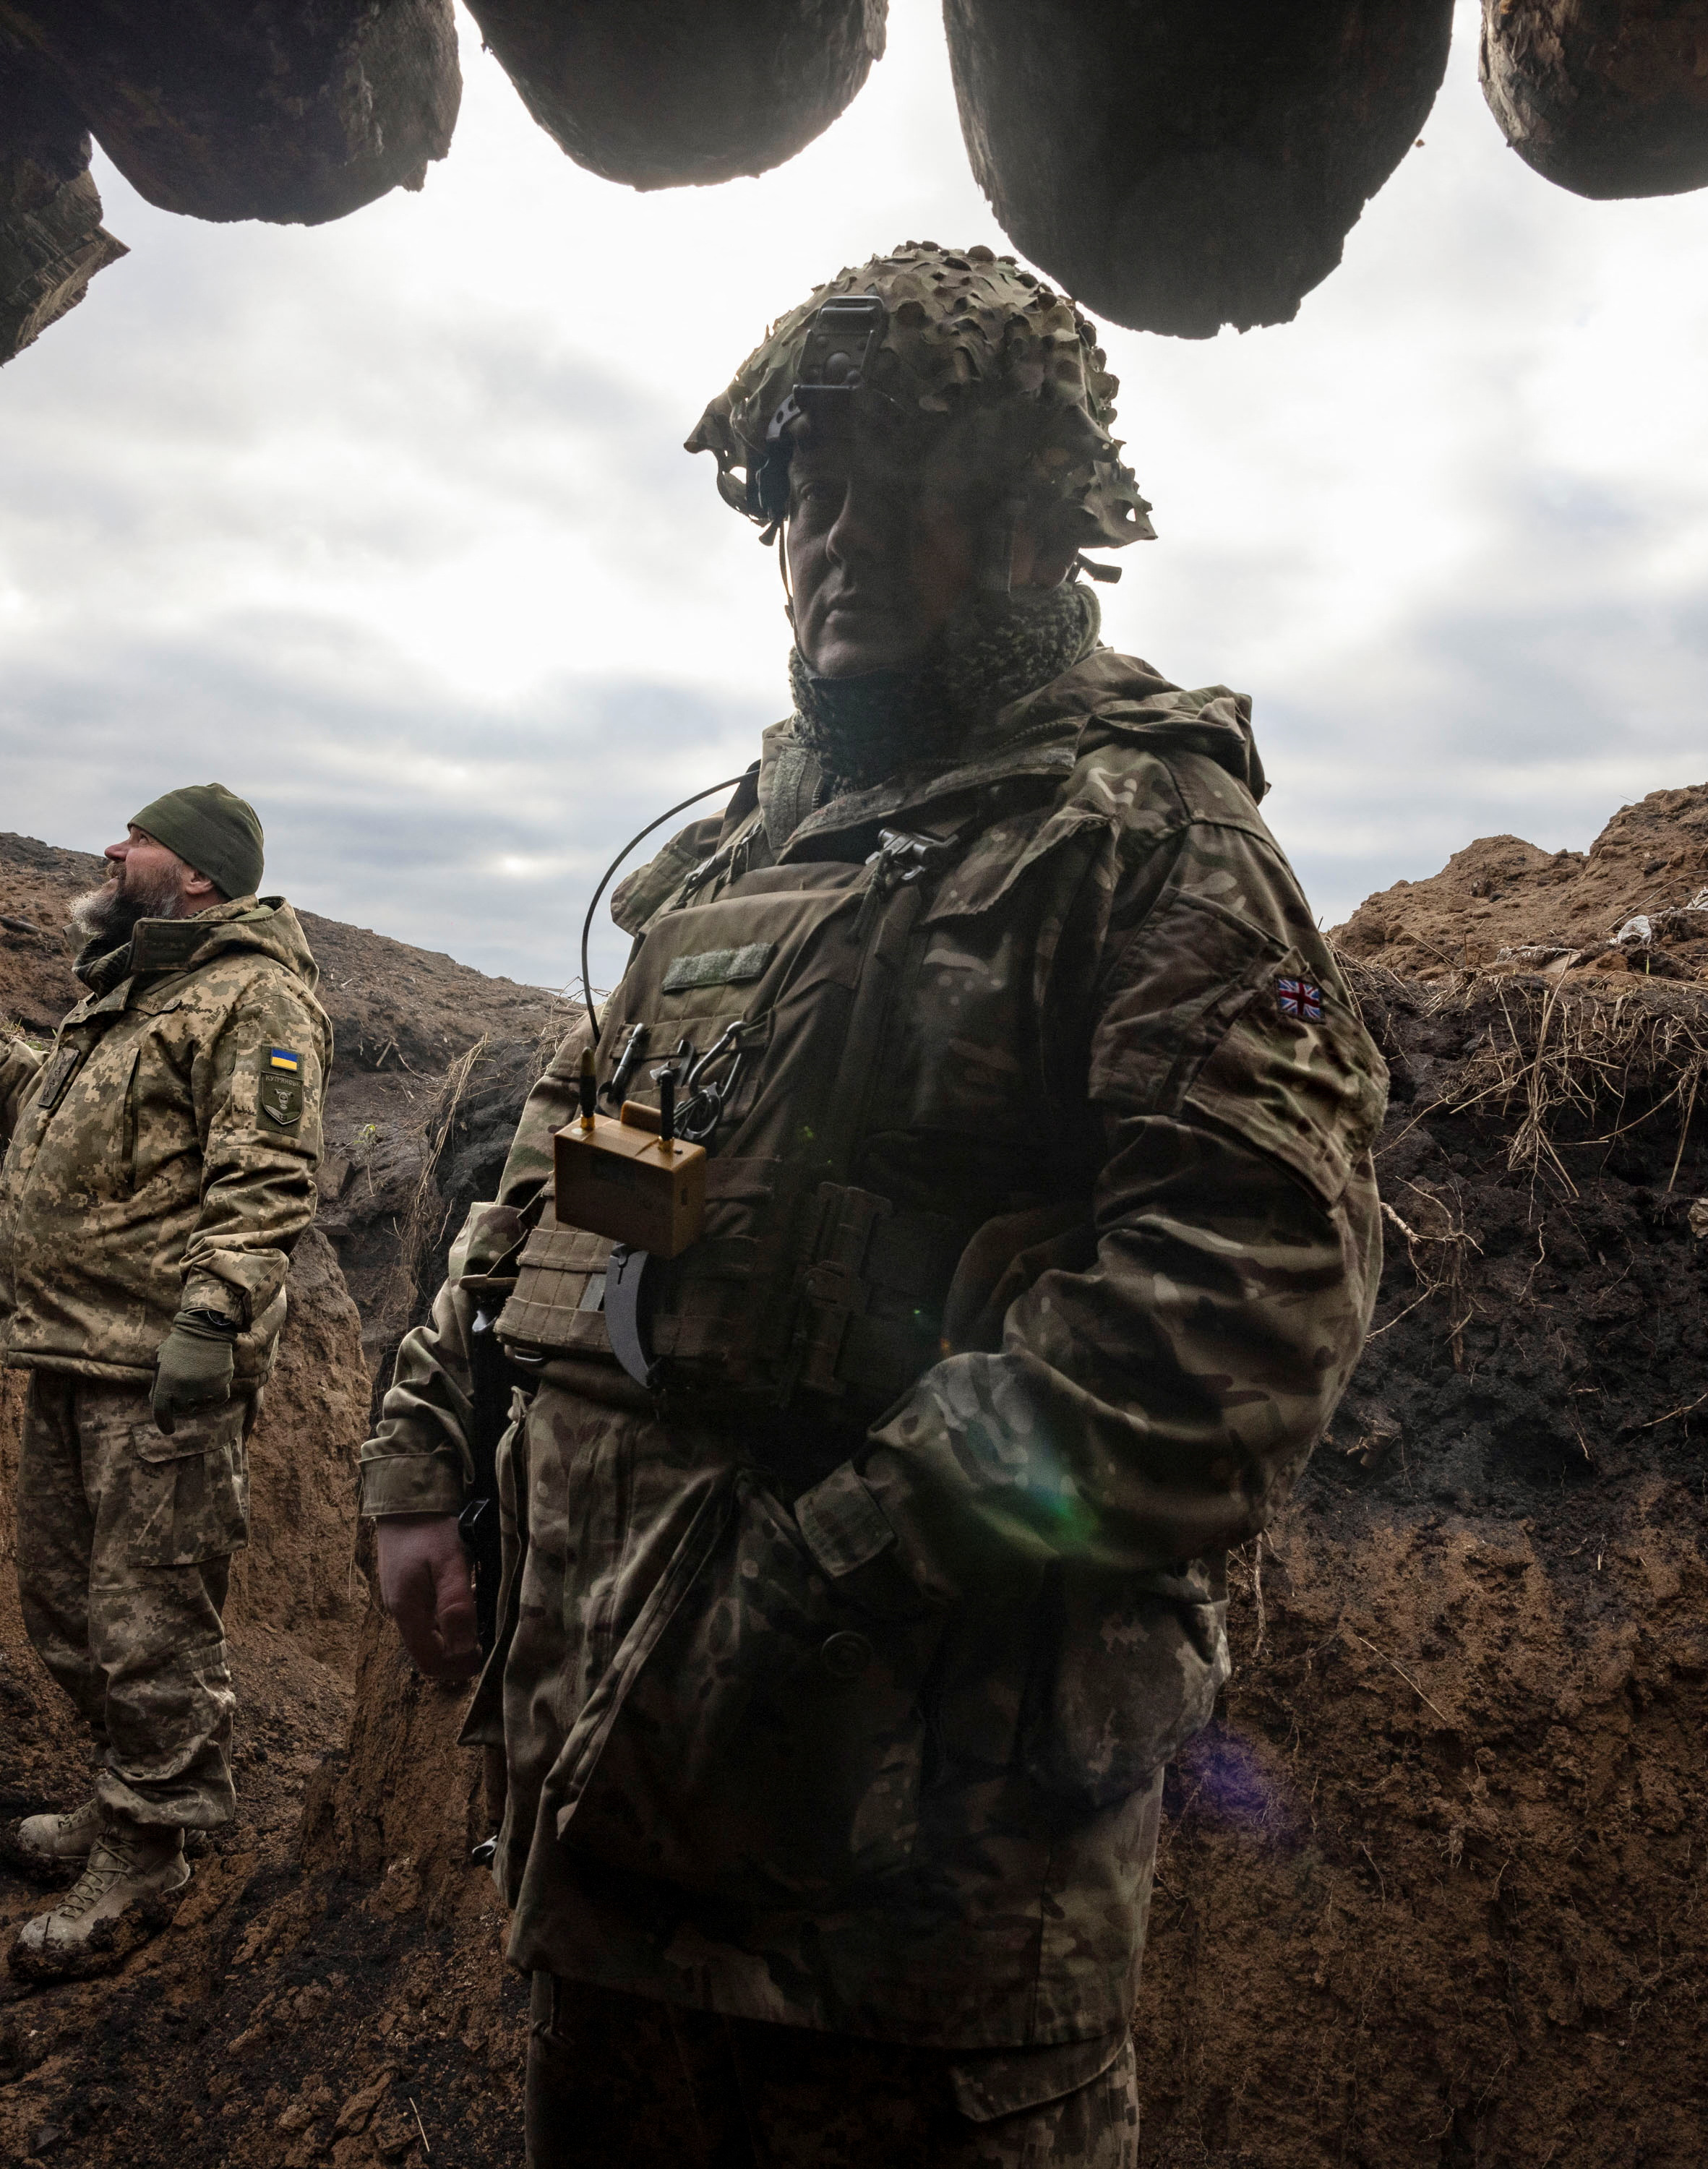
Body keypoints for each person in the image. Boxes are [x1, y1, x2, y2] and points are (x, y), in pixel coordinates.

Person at [354, 242, 1388, 2163]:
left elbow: (1243, 1298)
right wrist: (426, 1441)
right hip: (628, 1858)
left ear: (1011, 515)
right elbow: (578, 1177)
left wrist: (833, 1563)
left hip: (928, 1934)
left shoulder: (1157, 851)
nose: (824, 540)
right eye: (797, 493)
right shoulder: (739, 853)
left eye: (881, 488)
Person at [0, 784, 329, 1980]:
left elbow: (267, 1178)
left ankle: (152, 1847)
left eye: (134, 836)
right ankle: (128, 1791)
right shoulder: (137, 993)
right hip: (73, 1347)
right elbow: (55, 1115)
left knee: (149, 1622)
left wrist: (214, 1319)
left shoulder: (257, 997)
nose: (110, 847)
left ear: (194, 872)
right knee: (67, 1609)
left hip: (158, 1369)